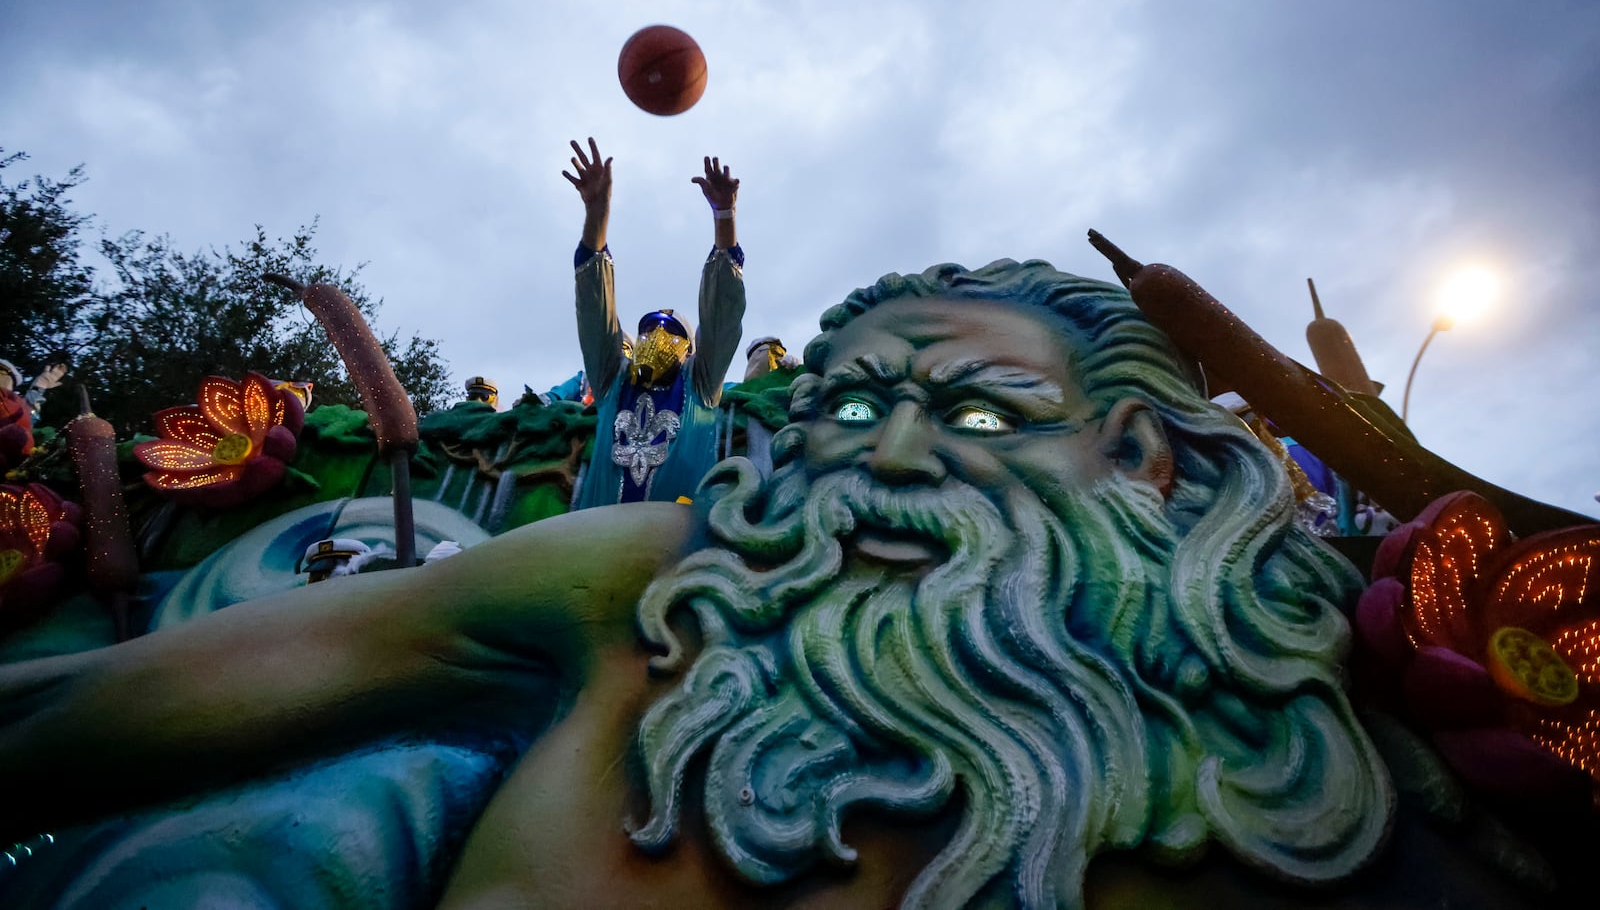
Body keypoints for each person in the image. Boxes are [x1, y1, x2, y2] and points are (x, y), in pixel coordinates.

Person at [0, 260, 1429, 909]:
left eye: (983, 416)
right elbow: (91, 711)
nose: (902, 452)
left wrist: (723, 248)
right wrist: (598, 249)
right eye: (856, 409)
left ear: (1136, 454)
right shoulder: (649, 578)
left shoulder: (1337, 728)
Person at [566, 137, 745, 508]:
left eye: (672, 330)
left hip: (677, 549)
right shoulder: (611, 380)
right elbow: (594, 308)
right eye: (648, 327)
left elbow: (722, 315)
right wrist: (597, 213)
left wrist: (724, 217)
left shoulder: (700, 383)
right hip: (598, 543)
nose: (657, 334)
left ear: (692, 349)